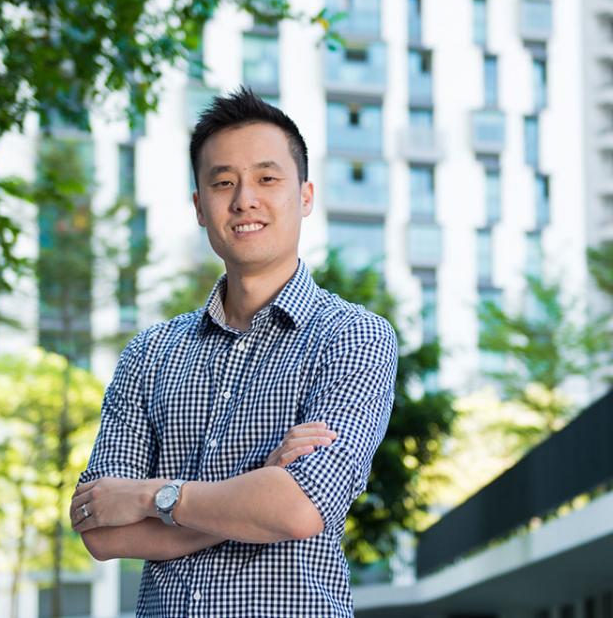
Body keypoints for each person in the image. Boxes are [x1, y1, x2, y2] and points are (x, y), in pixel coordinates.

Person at [68, 87, 397, 617]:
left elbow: (296, 508)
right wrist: (253, 487)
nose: (245, 199)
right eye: (223, 183)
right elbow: (100, 530)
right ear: (200, 207)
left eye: (267, 179)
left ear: (305, 195)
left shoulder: (353, 336)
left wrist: (155, 499)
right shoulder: (149, 353)